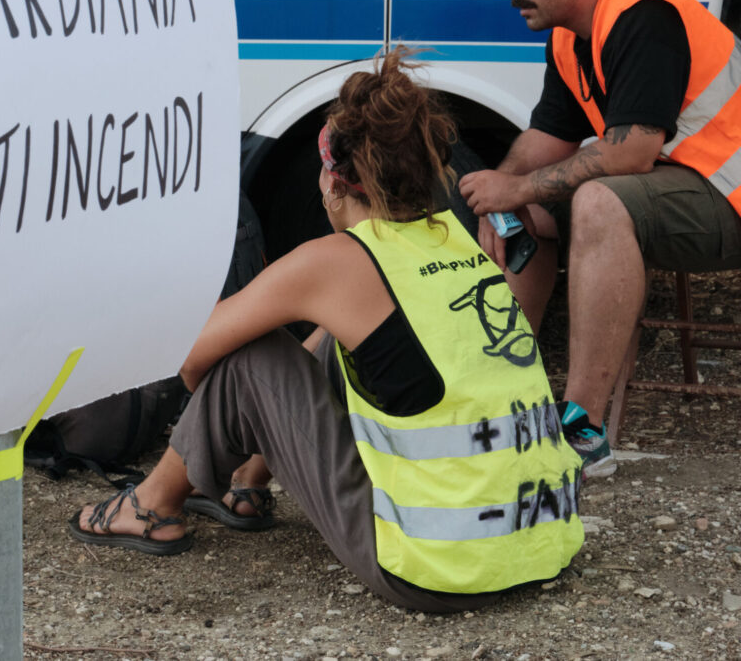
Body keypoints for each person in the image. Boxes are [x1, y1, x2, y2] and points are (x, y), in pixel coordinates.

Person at [70, 49, 584, 612]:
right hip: (538, 545)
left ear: (334, 181)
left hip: (440, 569)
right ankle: (247, 484)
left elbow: (196, 360)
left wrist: (234, 406)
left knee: (250, 357)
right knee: (343, 342)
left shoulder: (336, 262)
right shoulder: (455, 239)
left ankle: (150, 507)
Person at [458, 0, 741, 477]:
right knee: (527, 213)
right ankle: (502, 405)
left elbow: (633, 153)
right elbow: (549, 138)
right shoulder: (569, 35)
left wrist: (521, 187)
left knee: (599, 200)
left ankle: (582, 432)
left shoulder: (643, 12)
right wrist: (502, 192)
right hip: (697, 189)